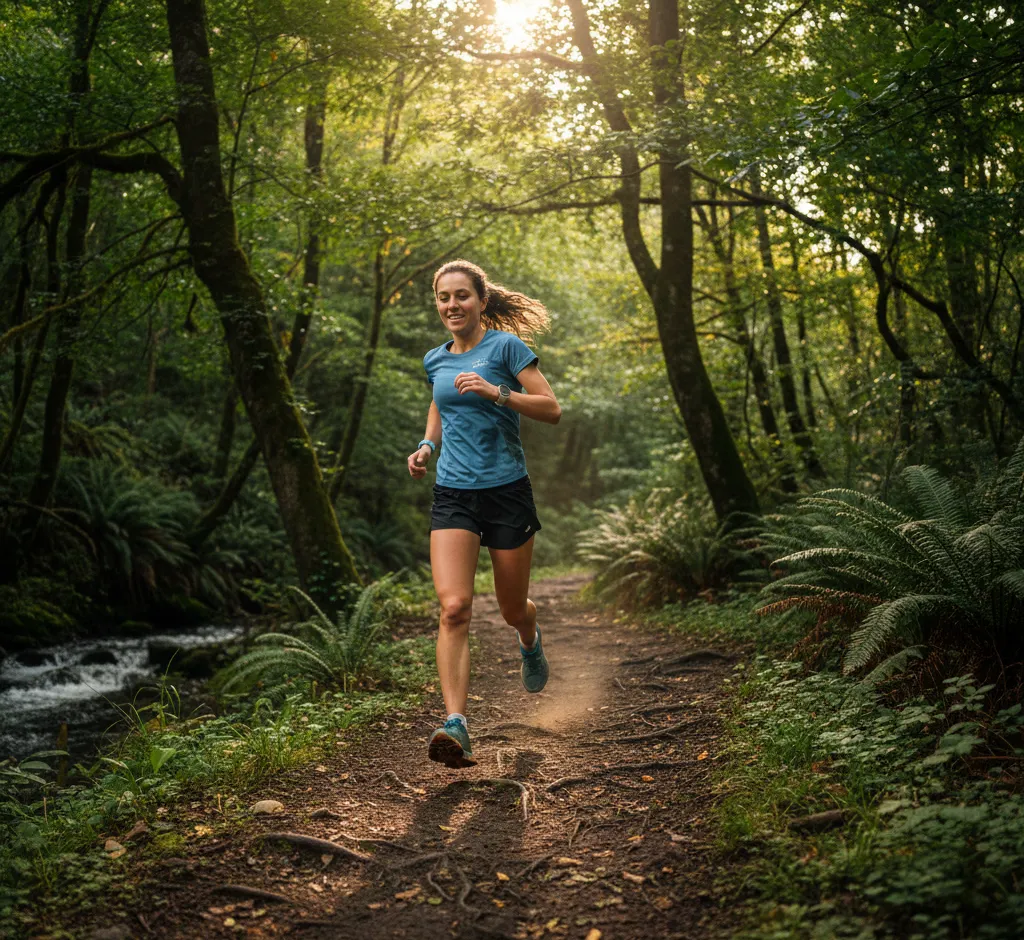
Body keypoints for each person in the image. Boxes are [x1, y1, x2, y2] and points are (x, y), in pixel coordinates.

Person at [408, 259, 562, 769]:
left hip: (506, 492)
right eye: (444, 297)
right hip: (454, 493)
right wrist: (427, 447)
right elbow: (440, 407)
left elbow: (551, 408)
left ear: (481, 300)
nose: (452, 305)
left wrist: (498, 392)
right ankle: (456, 723)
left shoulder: (506, 348)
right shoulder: (435, 359)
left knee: (512, 606)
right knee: (454, 607)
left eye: (461, 296)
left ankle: (528, 637)